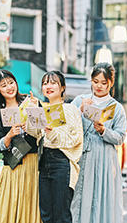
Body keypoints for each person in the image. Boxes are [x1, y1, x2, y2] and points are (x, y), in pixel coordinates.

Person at [71, 62, 127, 223]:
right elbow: (66, 124)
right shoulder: (80, 101)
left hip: (104, 158)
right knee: (79, 197)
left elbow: (120, 137)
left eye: (104, 83)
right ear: (91, 81)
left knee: (102, 196)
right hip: (81, 156)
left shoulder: (116, 108)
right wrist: (79, 110)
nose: (99, 86)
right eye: (96, 82)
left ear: (111, 83)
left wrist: (104, 131)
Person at [26, 71, 83, 223]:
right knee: (46, 214)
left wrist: (52, 134)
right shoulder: (42, 109)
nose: (48, 86)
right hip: (44, 161)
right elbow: (34, 134)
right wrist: (32, 111)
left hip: (62, 162)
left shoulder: (70, 109)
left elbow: (75, 139)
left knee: (61, 213)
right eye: (45, 83)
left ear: (62, 87)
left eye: (53, 83)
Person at [0, 70, 41, 223]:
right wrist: (9, 135)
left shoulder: (29, 102)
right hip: (13, 165)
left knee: (31, 206)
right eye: (4, 85)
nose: (9, 87)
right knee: (8, 208)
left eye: (11, 82)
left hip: (33, 164)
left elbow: (43, 130)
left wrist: (35, 111)